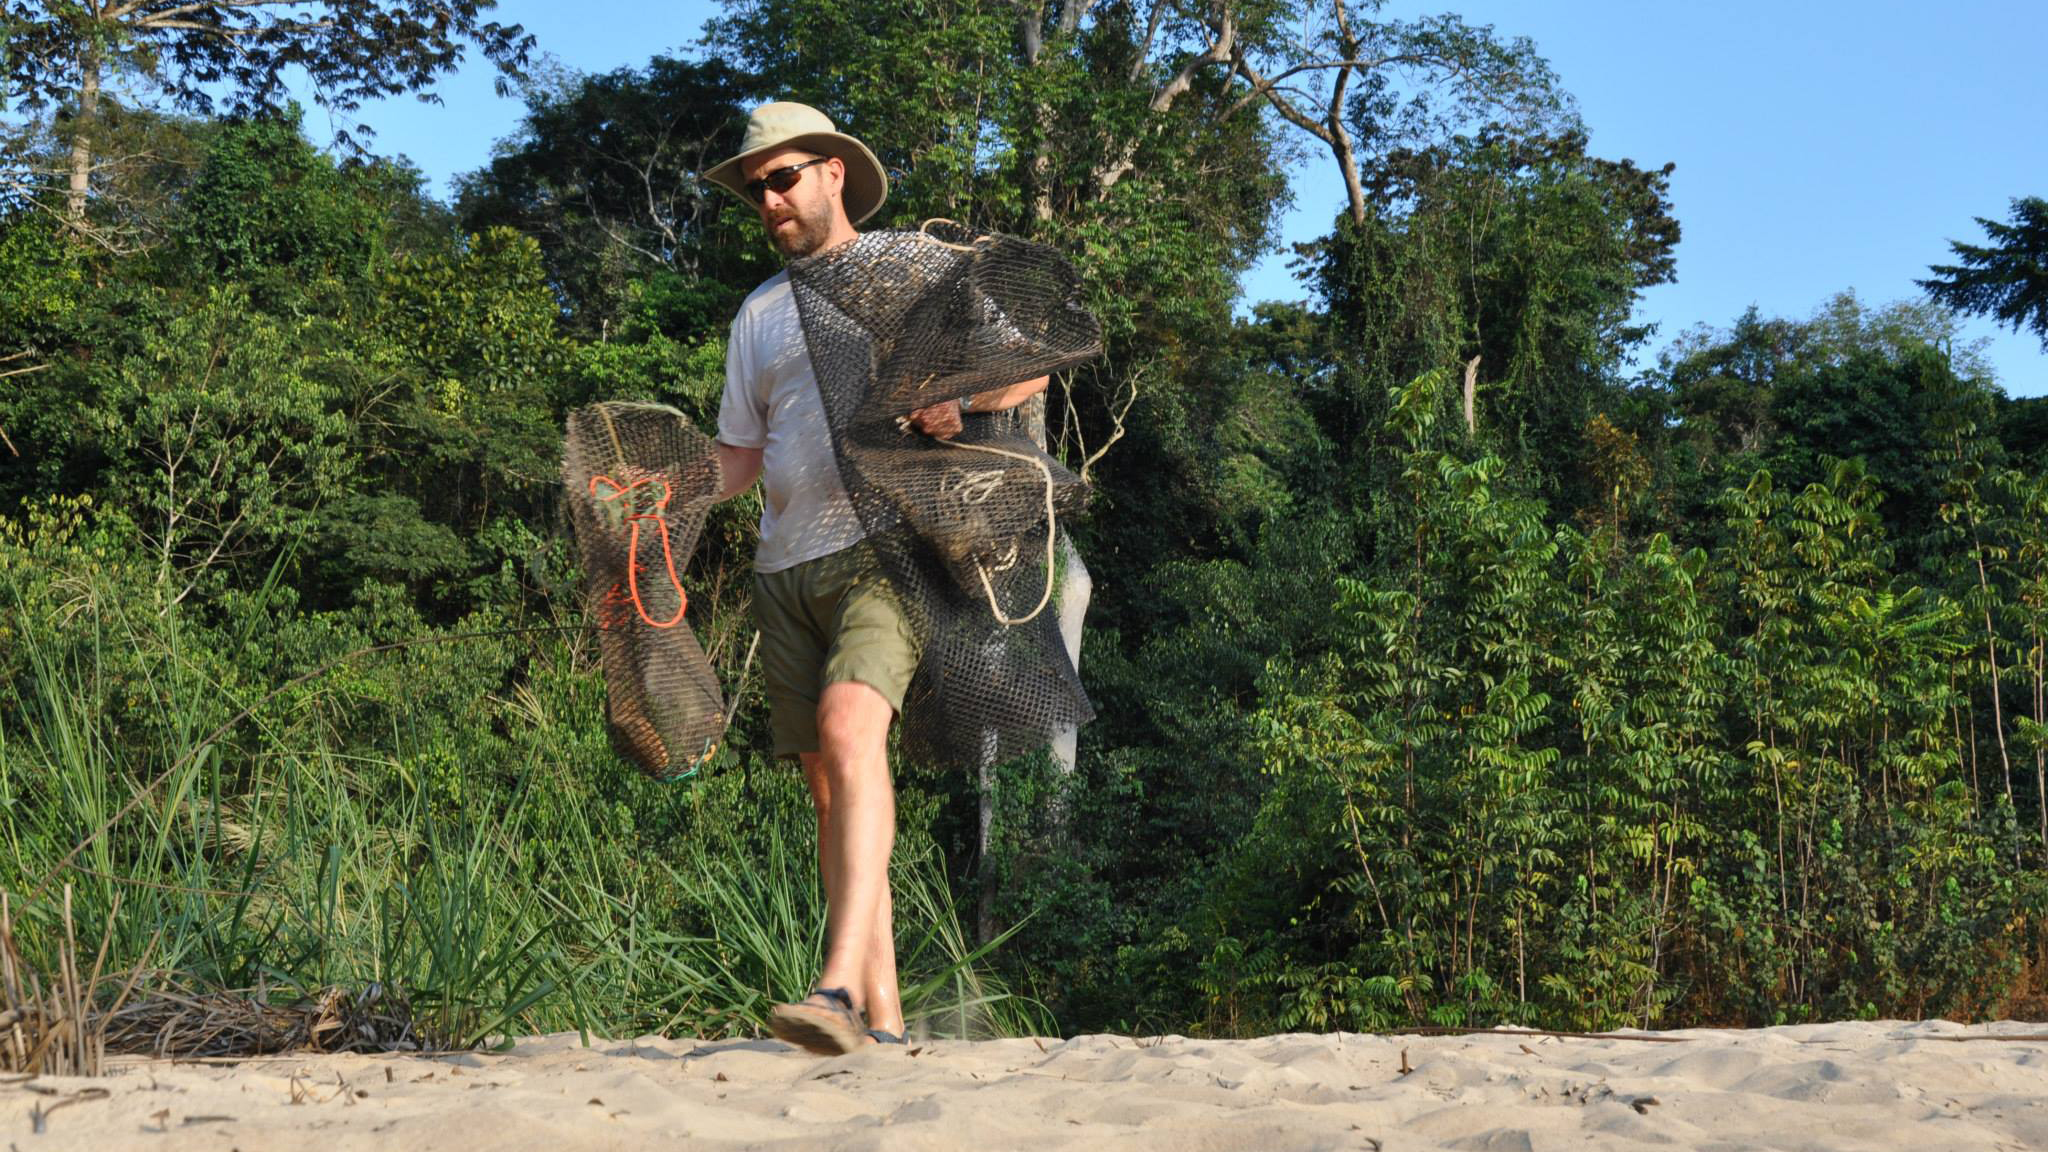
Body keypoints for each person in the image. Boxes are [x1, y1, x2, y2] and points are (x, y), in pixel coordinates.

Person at [701, 102, 1048, 1055]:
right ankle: (886, 1023)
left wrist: (958, 402)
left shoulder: (910, 270)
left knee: (855, 733)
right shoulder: (758, 314)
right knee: (831, 787)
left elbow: (1030, 370)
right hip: (784, 570)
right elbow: (739, 459)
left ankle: (838, 992)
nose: (768, 198)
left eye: (784, 177)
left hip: (882, 549)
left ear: (833, 175)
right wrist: (666, 490)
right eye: (756, 187)